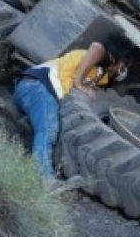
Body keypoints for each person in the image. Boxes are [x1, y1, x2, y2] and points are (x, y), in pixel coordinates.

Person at [13, 34, 133, 177]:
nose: (123, 70)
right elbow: (98, 47)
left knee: (52, 126)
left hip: (40, 95)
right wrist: (78, 82)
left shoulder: (101, 76)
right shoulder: (92, 56)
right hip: (37, 87)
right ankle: (42, 177)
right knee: (49, 128)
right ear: (115, 58)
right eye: (124, 64)